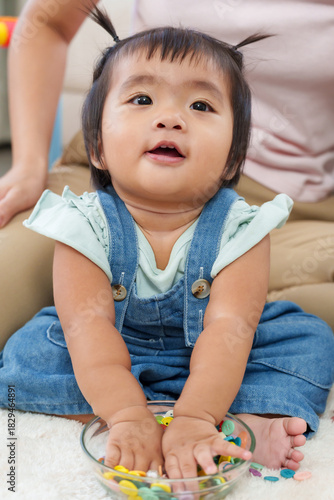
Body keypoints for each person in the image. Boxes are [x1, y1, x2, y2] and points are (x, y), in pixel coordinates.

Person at [0, 6, 333, 480]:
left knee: (308, 338)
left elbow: (229, 328)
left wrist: (198, 417)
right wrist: (126, 414)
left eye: (200, 106)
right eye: (141, 99)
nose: (171, 118)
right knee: (34, 348)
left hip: (213, 358)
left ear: (232, 159)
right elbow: (88, 330)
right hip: (114, 348)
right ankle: (124, 415)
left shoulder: (243, 227)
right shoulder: (82, 223)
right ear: (97, 146)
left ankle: (240, 421)